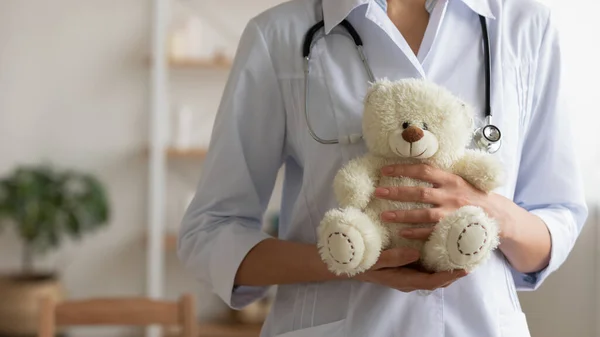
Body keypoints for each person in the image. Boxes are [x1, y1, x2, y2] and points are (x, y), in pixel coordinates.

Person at [177, 0, 588, 336]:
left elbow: (557, 218)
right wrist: (345, 260)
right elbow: (210, 231)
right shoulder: (280, 35)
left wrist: (487, 210)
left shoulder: (524, 26)